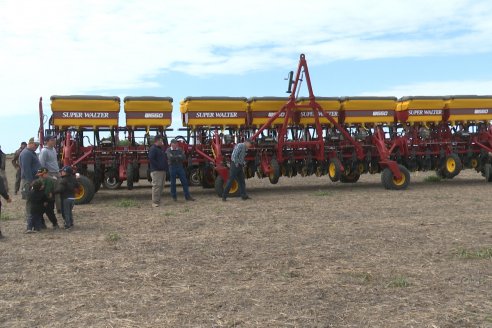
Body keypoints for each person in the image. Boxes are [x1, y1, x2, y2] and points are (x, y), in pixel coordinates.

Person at [19, 138, 41, 232]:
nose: (37, 147)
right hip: (29, 181)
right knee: (30, 201)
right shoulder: (26, 154)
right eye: (36, 145)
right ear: (30, 143)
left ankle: (34, 222)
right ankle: (29, 223)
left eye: (38, 145)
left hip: (34, 180)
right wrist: (31, 181)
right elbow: (26, 168)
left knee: (33, 201)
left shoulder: (31, 152)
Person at [39, 136, 61, 213]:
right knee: (50, 192)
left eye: (54, 140)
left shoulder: (53, 149)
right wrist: (46, 175)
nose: (54, 141)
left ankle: (59, 209)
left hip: (57, 172)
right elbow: (42, 164)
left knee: (59, 191)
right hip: (50, 174)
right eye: (52, 140)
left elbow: (54, 162)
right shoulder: (44, 151)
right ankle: (46, 210)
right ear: (47, 141)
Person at [55, 166, 79, 230]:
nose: (61, 172)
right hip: (72, 198)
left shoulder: (63, 180)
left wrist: (54, 192)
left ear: (66, 172)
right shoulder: (74, 178)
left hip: (65, 198)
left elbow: (60, 189)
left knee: (65, 212)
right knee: (69, 211)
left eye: (63, 171)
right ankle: (71, 223)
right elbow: (77, 187)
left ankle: (67, 225)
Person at [148, 136, 168, 207]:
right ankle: (154, 202)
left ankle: (158, 201)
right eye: (161, 141)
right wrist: (159, 166)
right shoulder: (153, 149)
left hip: (162, 171)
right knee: (156, 186)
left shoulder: (160, 149)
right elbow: (151, 159)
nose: (162, 142)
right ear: (157, 141)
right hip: (156, 171)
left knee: (161, 186)